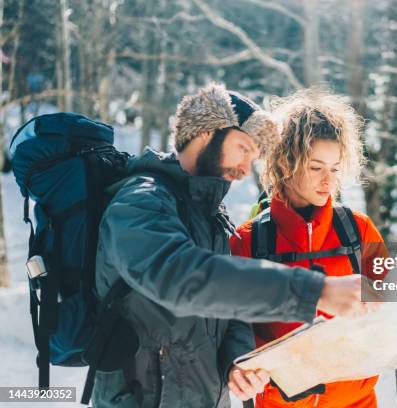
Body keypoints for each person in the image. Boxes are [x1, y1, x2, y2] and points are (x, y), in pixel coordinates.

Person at [93, 83, 371, 408]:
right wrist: (315, 291)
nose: (244, 168)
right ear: (207, 133)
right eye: (243, 148)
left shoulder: (209, 215)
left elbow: (225, 311)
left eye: (253, 158)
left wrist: (236, 361)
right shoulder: (139, 203)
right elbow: (182, 278)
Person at [230, 90, 397, 407]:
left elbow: (391, 310)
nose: (328, 180)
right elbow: (233, 331)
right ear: (285, 163)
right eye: (316, 167)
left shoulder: (357, 231)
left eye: (334, 168)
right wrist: (265, 371)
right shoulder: (248, 242)